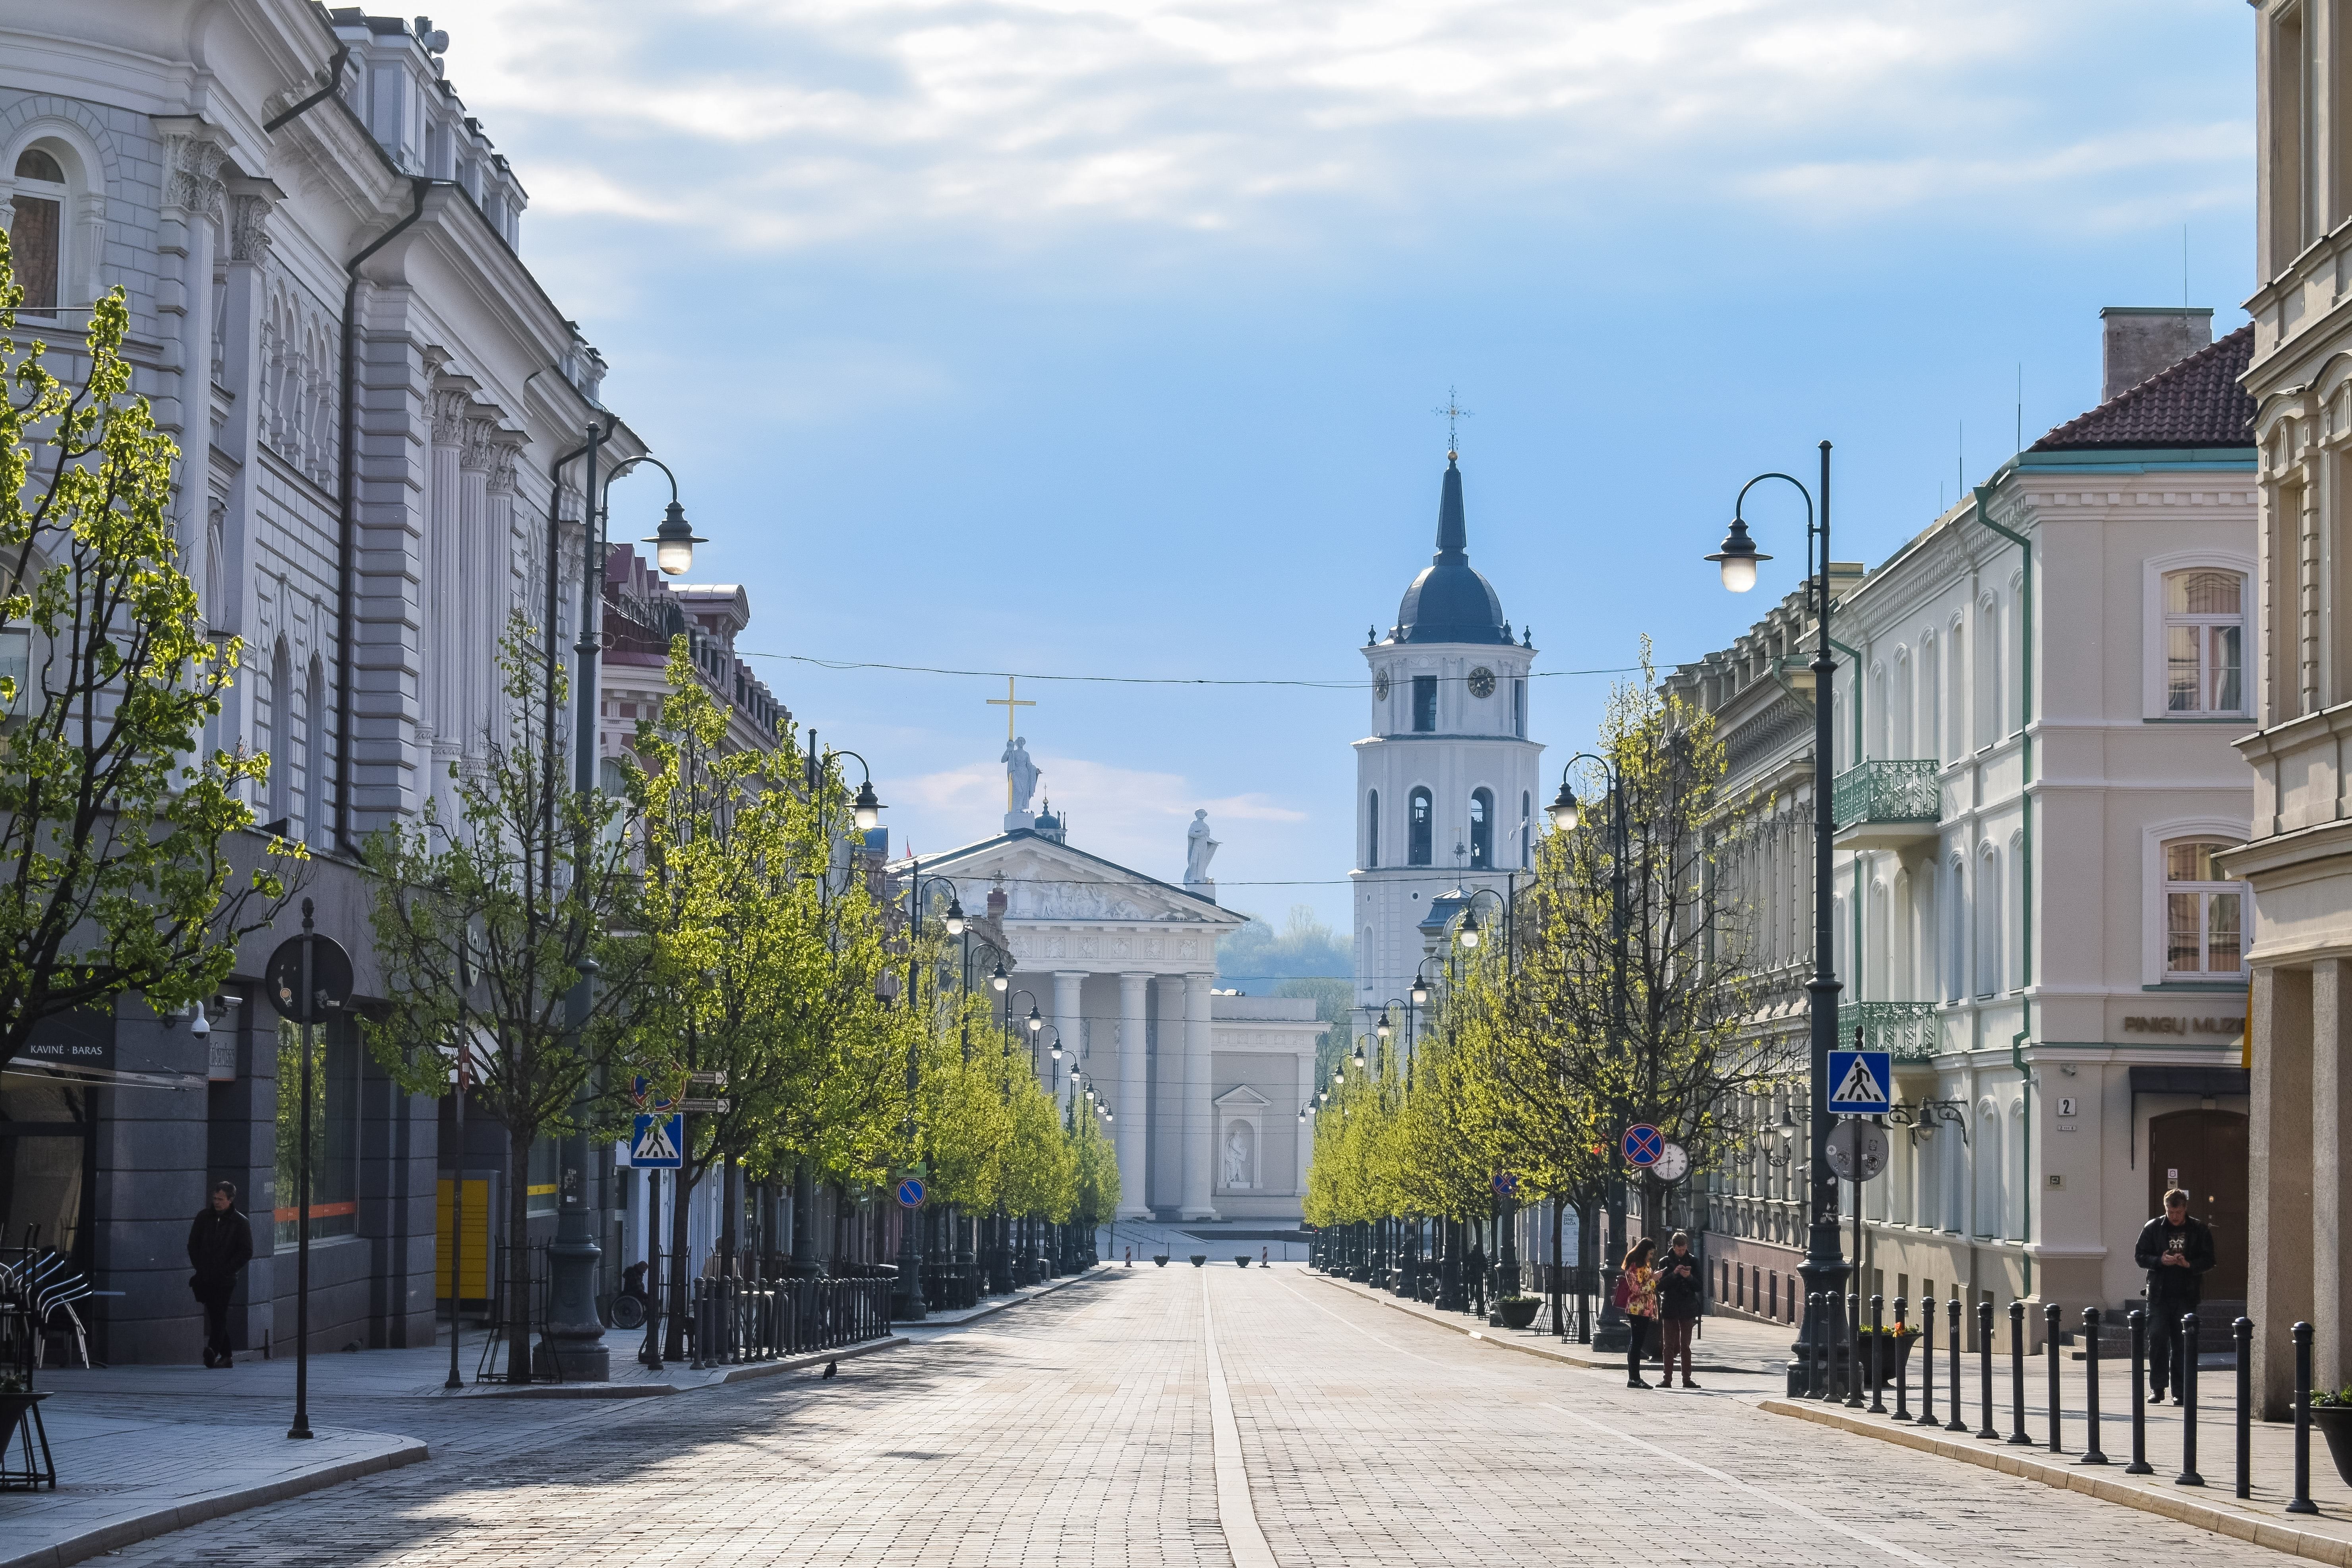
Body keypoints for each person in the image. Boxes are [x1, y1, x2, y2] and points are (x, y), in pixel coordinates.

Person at [2133, 1187, 2216, 1404]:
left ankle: (2180, 1391)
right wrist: (2159, 1261)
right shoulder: (2153, 1228)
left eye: (2178, 1213)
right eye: (2171, 1213)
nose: (2175, 1217)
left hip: (2186, 1295)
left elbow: (2210, 1260)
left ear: (2185, 1209)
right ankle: (2157, 1389)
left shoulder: (2198, 1229)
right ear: (2166, 1209)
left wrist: (2189, 1264)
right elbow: (2140, 1256)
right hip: (2159, 1296)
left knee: (2182, 1344)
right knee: (2158, 1339)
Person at [187, 1180, 253, 1368]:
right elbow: (193, 1244)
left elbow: (246, 1251)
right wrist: (200, 1267)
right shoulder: (203, 1218)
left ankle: (213, 1350)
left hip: (225, 1279)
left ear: (231, 1200)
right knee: (216, 1314)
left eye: (221, 1199)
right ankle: (227, 1356)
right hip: (205, 1276)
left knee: (219, 1312)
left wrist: (227, 1269)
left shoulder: (240, 1223)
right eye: (215, 1198)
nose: (217, 1202)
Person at [1655, 1230, 1704, 1388]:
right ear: (1673, 1246)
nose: (1682, 1252)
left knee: (1685, 1346)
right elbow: (1659, 1287)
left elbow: (1699, 1286)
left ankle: (1687, 1379)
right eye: (1679, 1249)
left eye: (1684, 1249)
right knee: (1668, 1345)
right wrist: (1675, 1274)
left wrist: (1688, 1277)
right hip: (1669, 1306)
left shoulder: (1694, 1261)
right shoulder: (1664, 1262)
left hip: (1687, 1307)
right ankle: (1667, 1379)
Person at [1616, 1236, 1659, 1388]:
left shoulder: (1643, 1264)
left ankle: (1635, 1378)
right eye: (1650, 1253)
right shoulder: (1634, 1266)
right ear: (1644, 1251)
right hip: (1637, 1309)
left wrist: (1654, 1278)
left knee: (1637, 1343)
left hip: (1644, 1309)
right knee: (1636, 1343)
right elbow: (1637, 1289)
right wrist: (1654, 1280)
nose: (1651, 1256)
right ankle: (1634, 1378)